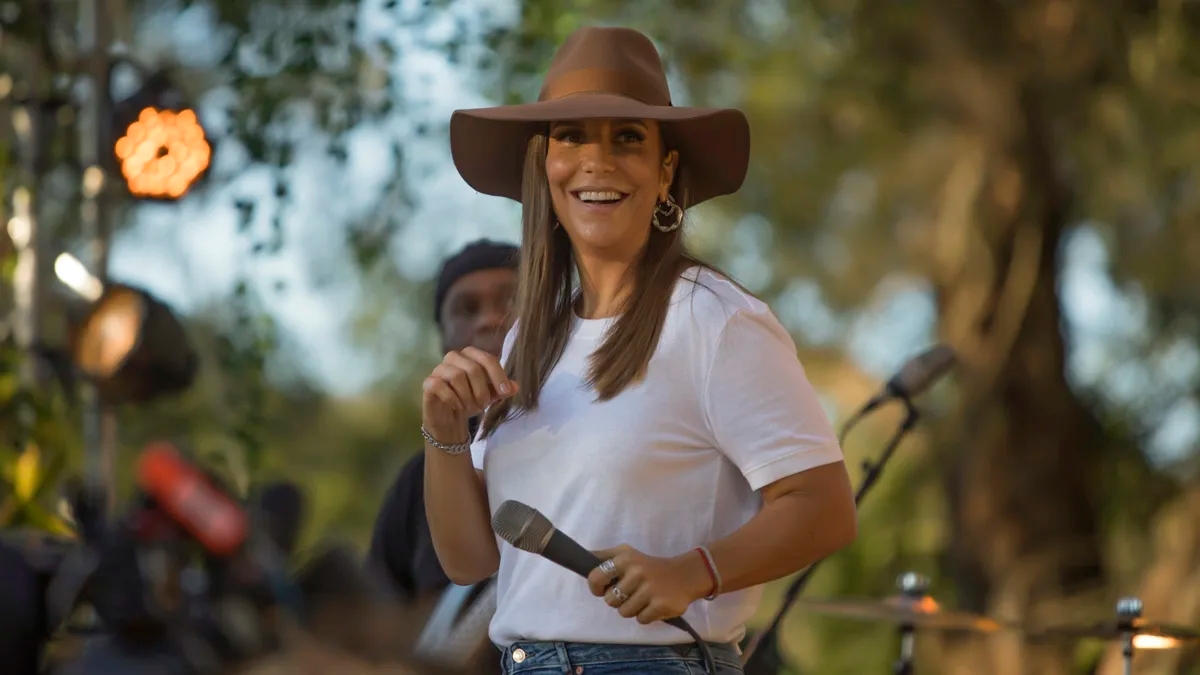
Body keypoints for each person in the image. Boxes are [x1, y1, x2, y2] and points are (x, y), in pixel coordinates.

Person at [421, 26, 858, 675]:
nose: (597, 160)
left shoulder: (715, 319)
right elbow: (472, 561)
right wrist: (443, 432)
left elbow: (825, 507)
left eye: (627, 137)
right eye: (572, 136)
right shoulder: (529, 339)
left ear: (665, 172)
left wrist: (696, 571)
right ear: (545, 164)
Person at [365, 240, 515, 673]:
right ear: (444, 339)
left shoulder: (597, 431)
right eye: (466, 309)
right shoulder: (417, 480)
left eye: (510, 300)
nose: (489, 319)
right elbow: (382, 614)